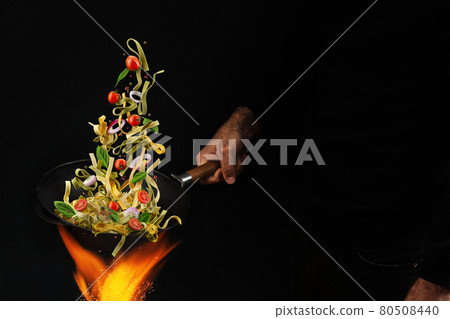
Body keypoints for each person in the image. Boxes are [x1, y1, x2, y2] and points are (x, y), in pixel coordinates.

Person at [196, 1, 450, 300]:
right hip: (315, 223)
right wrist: (244, 120)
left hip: (401, 250)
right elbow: (303, 55)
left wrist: (438, 278)